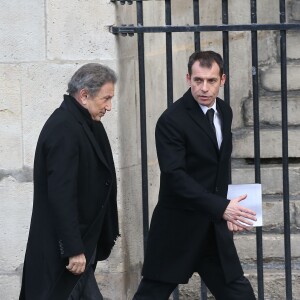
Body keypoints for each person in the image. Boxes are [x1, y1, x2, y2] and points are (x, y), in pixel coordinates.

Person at [133, 51, 257, 300]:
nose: (204, 88)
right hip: (178, 229)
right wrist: (222, 207)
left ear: (223, 80)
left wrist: (229, 208)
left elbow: (219, 168)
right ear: (188, 78)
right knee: (151, 294)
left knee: (240, 294)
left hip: (213, 230)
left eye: (211, 81)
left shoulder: (224, 110)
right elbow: (175, 176)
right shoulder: (171, 120)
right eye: (198, 80)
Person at [19, 63, 119, 300]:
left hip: (85, 241)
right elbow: (61, 195)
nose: (109, 106)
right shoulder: (64, 128)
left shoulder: (87, 123)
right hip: (65, 251)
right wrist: (73, 249)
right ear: (84, 95)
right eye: (106, 99)